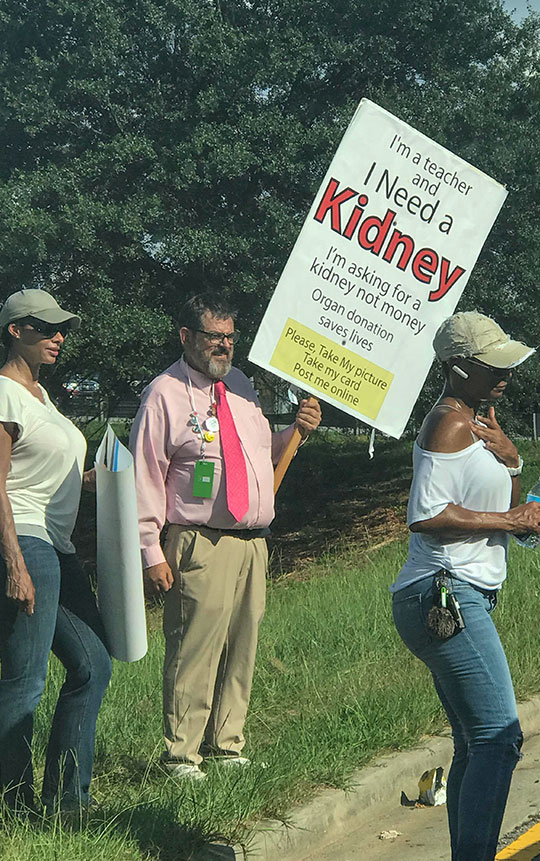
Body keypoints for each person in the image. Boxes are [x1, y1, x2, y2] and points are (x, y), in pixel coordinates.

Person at [130, 293, 321, 780]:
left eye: (230, 337)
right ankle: (180, 754)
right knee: (195, 646)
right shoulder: (163, 395)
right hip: (199, 541)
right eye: (214, 336)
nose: (224, 346)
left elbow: (257, 456)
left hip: (252, 540)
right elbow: (145, 477)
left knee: (242, 644)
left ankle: (226, 744)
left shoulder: (240, 386)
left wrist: (296, 431)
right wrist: (150, 551)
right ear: (186, 337)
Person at [390, 312, 540, 861]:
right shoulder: (448, 423)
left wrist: (512, 461)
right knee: (499, 739)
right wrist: (513, 522)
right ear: (457, 368)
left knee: (475, 743)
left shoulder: (476, 422)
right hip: (443, 593)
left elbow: (503, 505)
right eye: (493, 365)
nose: (506, 373)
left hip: (459, 594)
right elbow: (426, 514)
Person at [0, 289, 112, 814]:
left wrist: (110, 481)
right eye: (45, 328)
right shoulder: (4, 394)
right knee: (26, 681)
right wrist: (14, 564)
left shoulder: (44, 398)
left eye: (60, 328)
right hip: (25, 541)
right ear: (15, 331)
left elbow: (58, 477)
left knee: (93, 663)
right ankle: (13, 804)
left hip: (59, 548)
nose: (57, 336)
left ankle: (68, 799)